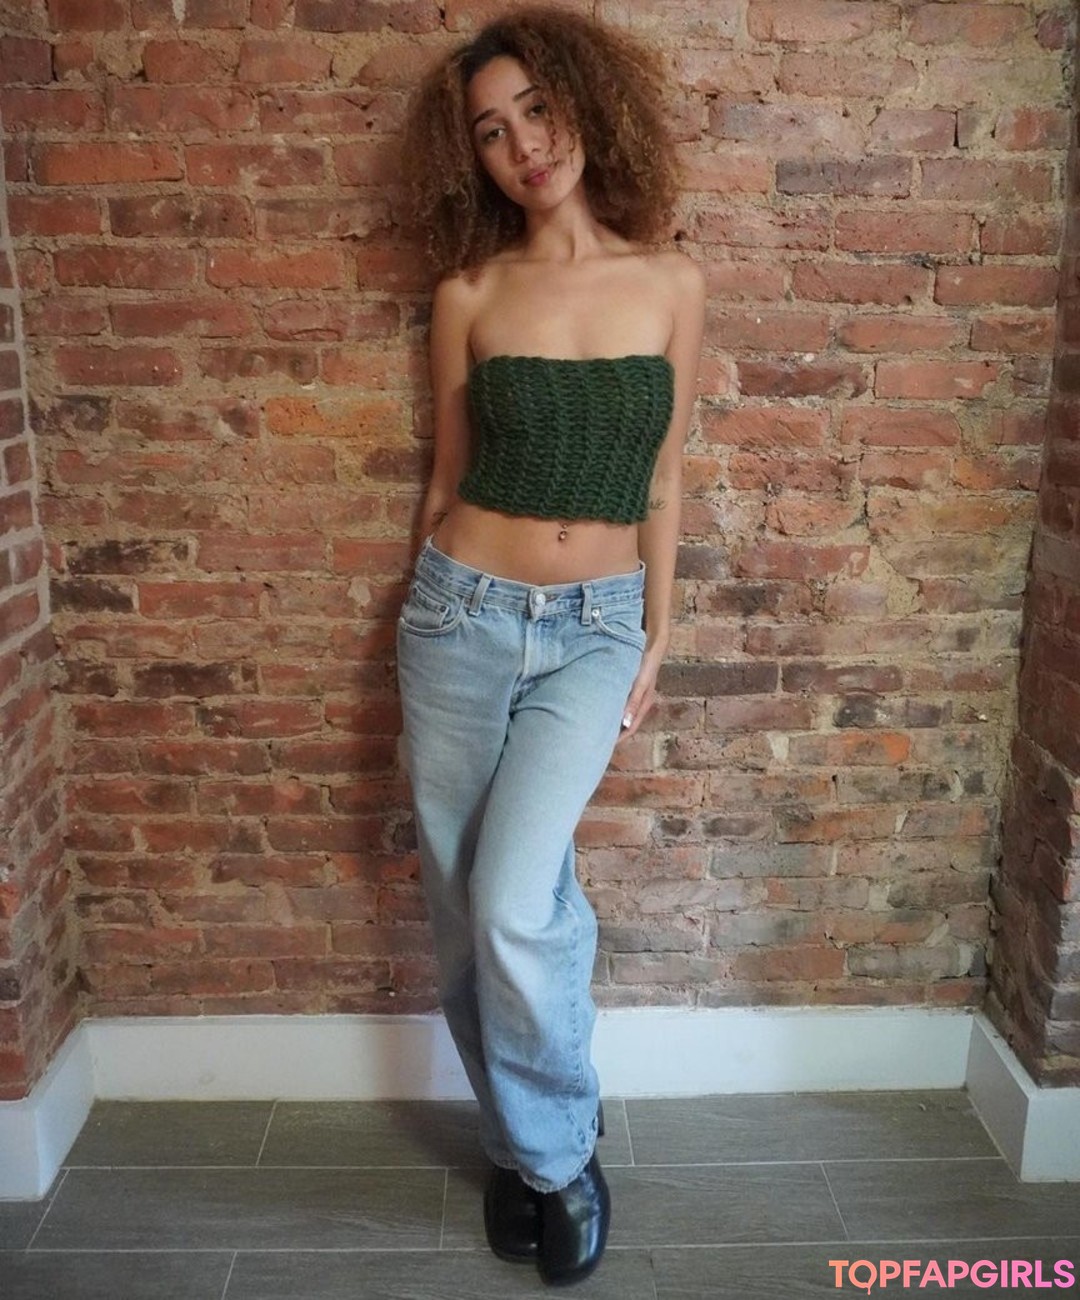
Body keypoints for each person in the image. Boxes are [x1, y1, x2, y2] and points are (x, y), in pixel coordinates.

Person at [396, 6, 705, 1287]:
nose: (524, 143)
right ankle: (526, 1148)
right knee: (461, 913)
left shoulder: (671, 283)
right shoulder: (468, 296)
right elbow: (446, 475)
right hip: (461, 618)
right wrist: (424, 602)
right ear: (471, 158)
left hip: (594, 631)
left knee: (516, 897)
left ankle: (558, 1156)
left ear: (586, 102)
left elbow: (666, 477)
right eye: (491, 130)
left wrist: (657, 631)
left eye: (538, 108)